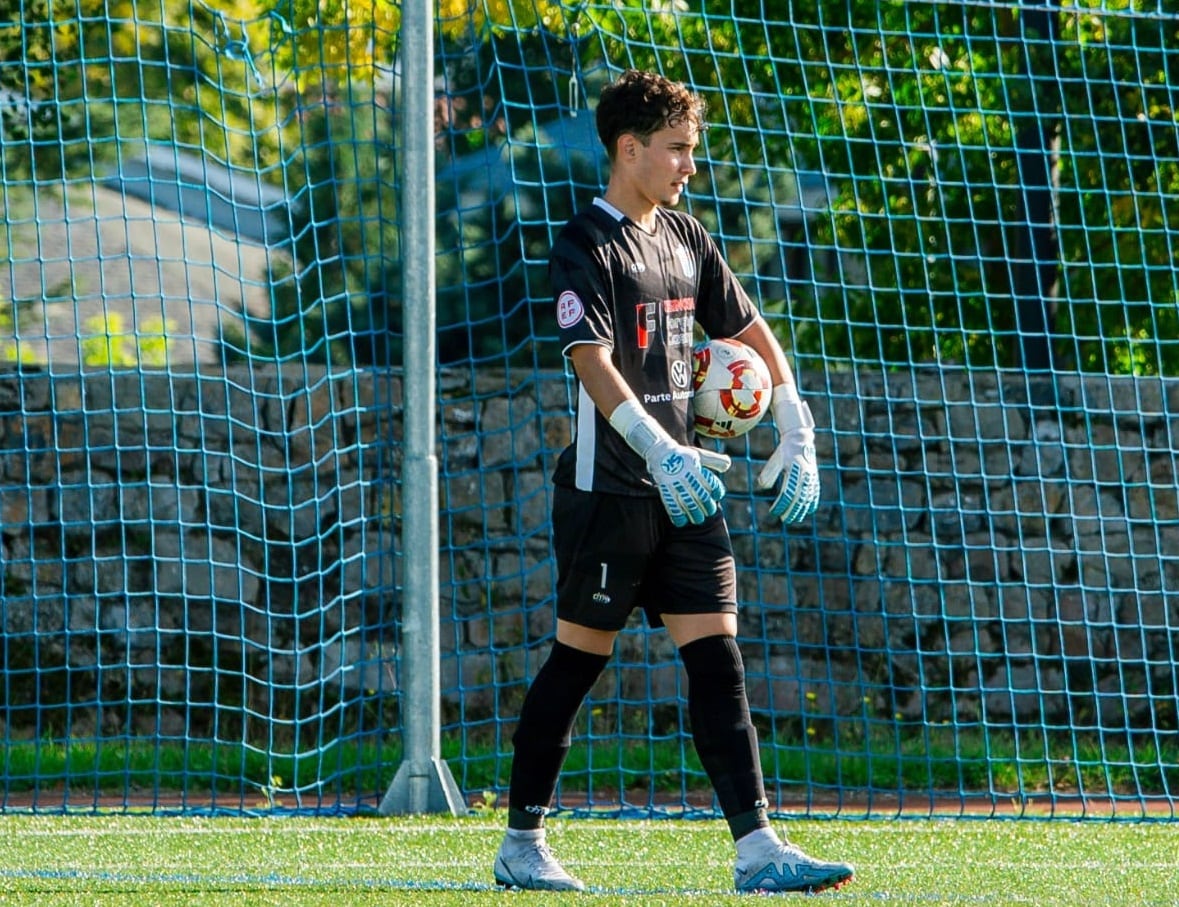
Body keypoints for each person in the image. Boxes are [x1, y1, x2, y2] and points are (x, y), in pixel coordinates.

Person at [492, 69, 854, 895]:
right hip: (610, 490)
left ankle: (758, 849)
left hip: (689, 491)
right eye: (677, 149)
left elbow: (749, 327)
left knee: (717, 660)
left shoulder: (687, 237)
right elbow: (589, 362)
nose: (690, 164)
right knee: (576, 663)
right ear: (629, 149)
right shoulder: (585, 243)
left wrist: (796, 422)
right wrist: (657, 451)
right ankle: (521, 840)